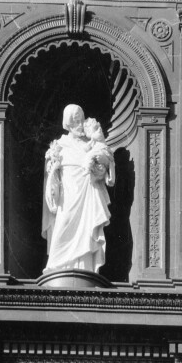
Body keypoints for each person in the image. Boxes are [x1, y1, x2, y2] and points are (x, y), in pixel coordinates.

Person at [42, 103, 115, 276]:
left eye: (81, 120)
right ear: (67, 124)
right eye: (75, 121)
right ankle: (57, 267)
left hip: (88, 192)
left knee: (87, 231)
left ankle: (85, 268)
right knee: (63, 222)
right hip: (67, 195)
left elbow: (103, 168)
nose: (79, 125)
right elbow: (51, 177)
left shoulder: (91, 144)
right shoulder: (59, 145)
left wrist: (96, 167)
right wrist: (53, 169)